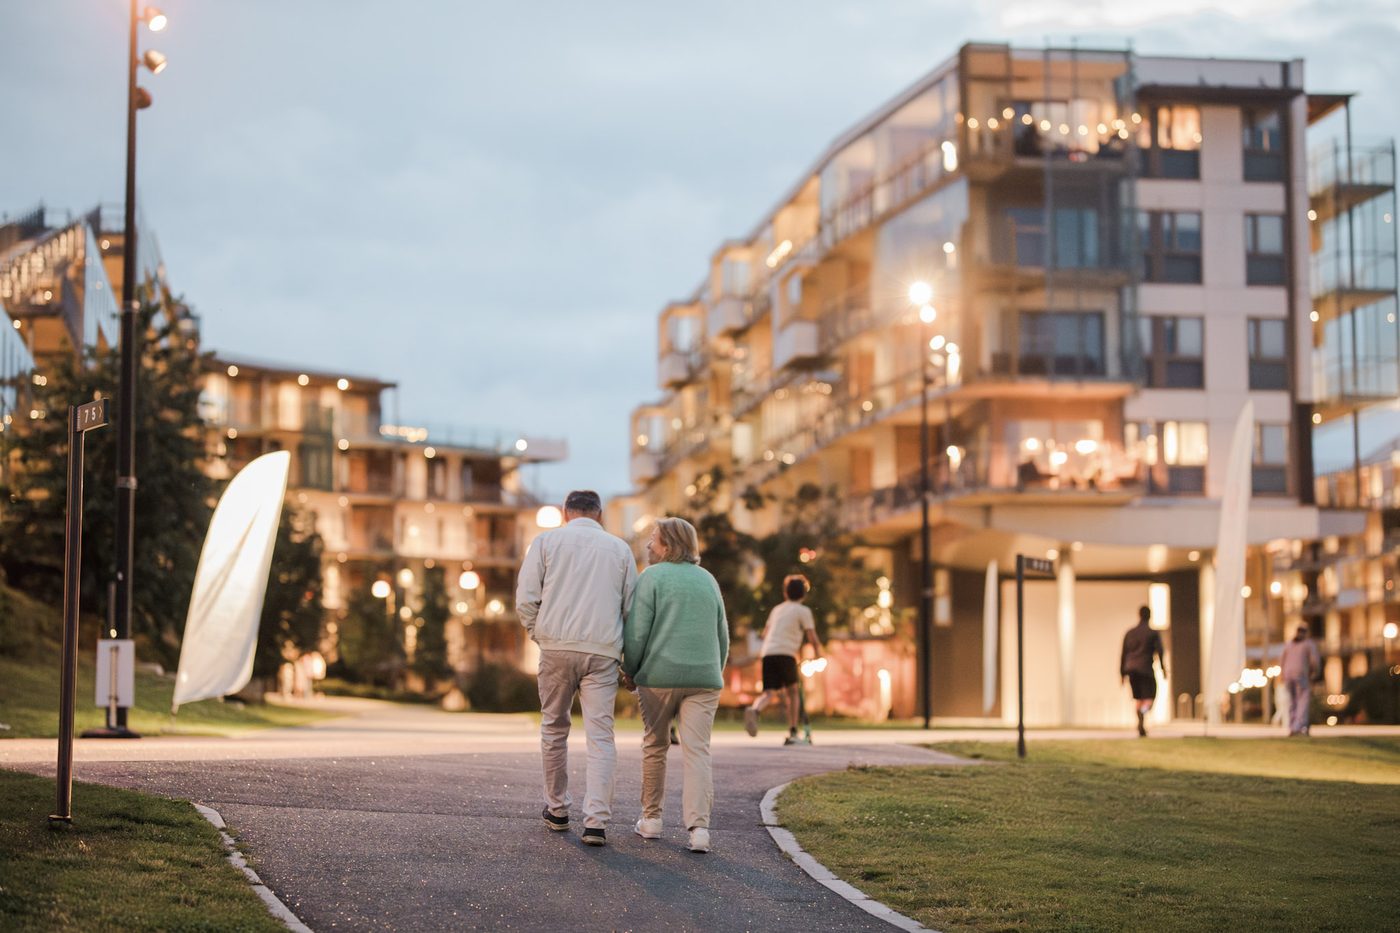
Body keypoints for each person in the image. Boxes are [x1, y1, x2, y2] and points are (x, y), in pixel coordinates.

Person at [515, 489, 638, 847]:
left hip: (556, 647)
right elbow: (631, 608)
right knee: (601, 735)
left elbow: (526, 598)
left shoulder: (546, 542)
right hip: (602, 651)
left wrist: (539, 633)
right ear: (598, 514)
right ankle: (596, 822)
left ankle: (557, 809)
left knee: (554, 727)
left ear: (566, 512)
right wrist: (628, 657)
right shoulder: (619, 549)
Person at [623, 517, 729, 854]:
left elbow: (637, 632)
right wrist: (714, 669)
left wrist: (630, 670)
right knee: (697, 751)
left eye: (653, 539)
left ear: (668, 544)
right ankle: (699, 830)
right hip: (704, 679)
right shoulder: (708, 579)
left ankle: (651, 820)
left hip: (659, 678)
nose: (649, 545)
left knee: (656, 745)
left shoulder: (651, 577)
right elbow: (722, 635)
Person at [744, 574, 823, 745]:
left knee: (768, 693)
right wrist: (819, 654)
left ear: (786, 593)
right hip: (786, 653)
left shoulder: (777, 609)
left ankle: (755, 710)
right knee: (793, 692)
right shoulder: (804, 611)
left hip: (768, 653)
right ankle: (793, 732)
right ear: (804, 594)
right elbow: (812, 636)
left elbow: (765, 634)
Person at [1120, 605, 1168, 737]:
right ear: (1149, 616)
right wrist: (1164, 669)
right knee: (1150, 697)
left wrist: (1122, 673)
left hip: (1131, 669)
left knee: (1138, 698)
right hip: (1146, 669)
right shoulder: (1152, 633)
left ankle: (1140, 719)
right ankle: (1143, 712)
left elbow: (1123, 653)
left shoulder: (1130, 633)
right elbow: (1160, 651)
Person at [1280, 624, 1322, 736]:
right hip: (1301, 675)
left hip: (1288, 675)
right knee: (1302, 701)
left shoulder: (1288, 644)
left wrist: (1282, 675)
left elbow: (1282, 660)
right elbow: (1315, 661)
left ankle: (1292, 725)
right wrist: (1315, 674)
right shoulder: (1308, 644)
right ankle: (1298, 726)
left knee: (1291, 702)